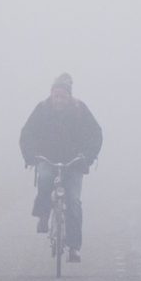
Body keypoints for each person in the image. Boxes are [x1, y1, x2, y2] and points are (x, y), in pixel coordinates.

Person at [19, 73, 102, 263]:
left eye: (63, 96)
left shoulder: (80, 109)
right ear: (51, 94)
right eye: (56, 95)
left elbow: (96, 133)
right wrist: (30, 156)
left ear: (69, 96)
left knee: (73, 202)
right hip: (47, 159)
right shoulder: (41, 109)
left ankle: (74, 248)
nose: (59, 99)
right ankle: (43, 213)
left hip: (74, 163)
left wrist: (87, 157)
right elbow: (27, 133)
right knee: (45, 180)